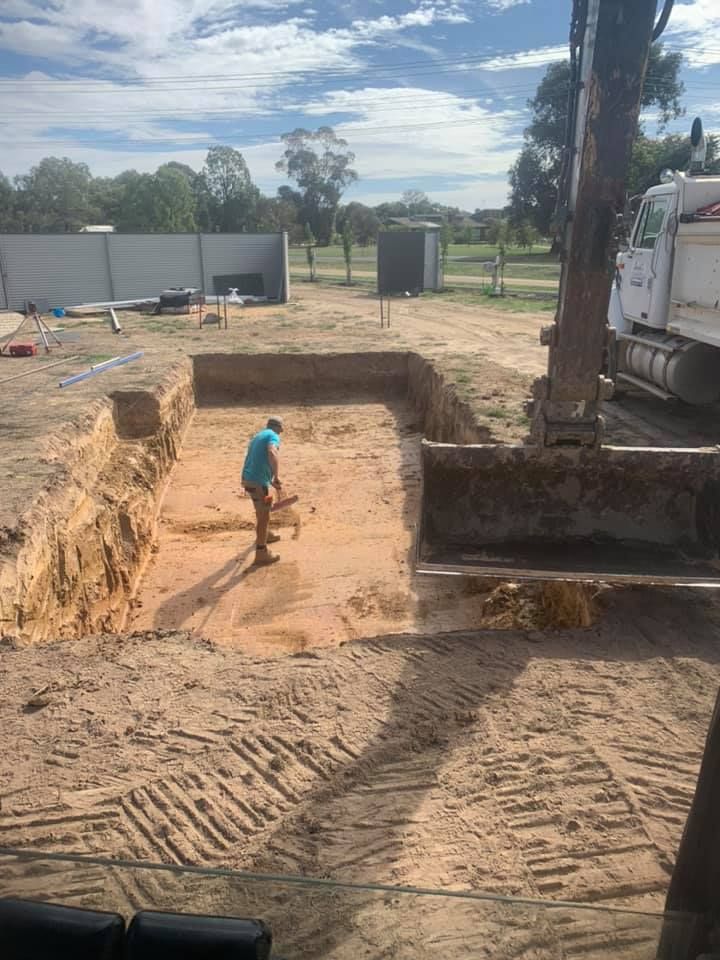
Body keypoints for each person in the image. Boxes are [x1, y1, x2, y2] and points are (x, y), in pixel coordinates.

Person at [241, 416, 284, 565]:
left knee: (263, 511)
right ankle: (261, 552)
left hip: (249, 479)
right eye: (281, 431)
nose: (280, 434)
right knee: (264, 514)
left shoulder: (258, 436)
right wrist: (276, 477)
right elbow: (272, 452)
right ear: (278, 428)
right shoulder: (273, 436)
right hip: (257, 481)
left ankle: (265, 534)